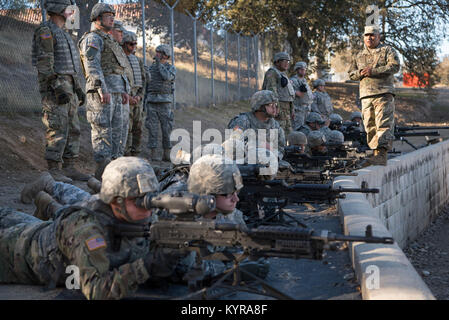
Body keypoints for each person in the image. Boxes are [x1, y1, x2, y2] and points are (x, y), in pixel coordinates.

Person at [0, 157, 182, 300]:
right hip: (14, 255)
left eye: (150, 198)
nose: (148, 207)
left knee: (7, 215)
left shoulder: (140, 214)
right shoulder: (87, 229)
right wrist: (146, 266)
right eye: (138, 200)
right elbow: (96, 290)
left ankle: (44, 204)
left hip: (47, 233)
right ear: (115, 202)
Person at [31, 0, 89, 183]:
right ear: (57, 9)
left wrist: (78, 88)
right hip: (55, 88)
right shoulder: (45, 31)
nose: (71, 12)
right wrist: (56, 86)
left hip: (69, 86)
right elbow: (44, 63)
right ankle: (54, 169)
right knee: (57, 127)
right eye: (67, 8)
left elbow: (72, 67)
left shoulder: (64, 34)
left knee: (73, 128)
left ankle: (69, 167)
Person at [78, 3, 130, 180]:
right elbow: (92, 65)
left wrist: (123, 90)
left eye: (113, 15)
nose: (112, 18)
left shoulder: (109, 40)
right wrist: (101, 88)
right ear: (97, 18)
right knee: (102, 132)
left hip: (115, 92)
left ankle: (115, 173)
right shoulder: (93, 39)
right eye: (108, 15)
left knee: (118, 133)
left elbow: (117, 69)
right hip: (102, 93)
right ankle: (102, 175)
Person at [348, 25, 400, 166]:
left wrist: (374, 71)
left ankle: (381, 154)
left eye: (372, 35)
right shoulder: (359, 55)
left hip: (383, 92)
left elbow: (395, 66)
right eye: (367, 35)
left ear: (378, 37)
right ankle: (374, 153)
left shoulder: (387, 50)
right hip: (366, 95)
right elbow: (350, 73)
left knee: (383, 123)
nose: (369, 38)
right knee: (369, 125)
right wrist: (360, 73)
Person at [227, 90, 286, 157]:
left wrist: (274, 158)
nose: (274, 108)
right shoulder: (242, 121)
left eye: (275, 104)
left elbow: (281, 149)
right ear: (259, 106)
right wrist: (259, 145)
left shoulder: (275, 125)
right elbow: (233, 144)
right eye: (270, 105)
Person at [145, 44, 176, 162]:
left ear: (165, 55)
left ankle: (166, 153)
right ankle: (153, 154)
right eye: (156, 51)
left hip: (165, 102)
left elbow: (166, 77)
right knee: (152, 128)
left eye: (159, 52)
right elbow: (147, 85)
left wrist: (159, 64)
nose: (156, 54)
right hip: (152, 101)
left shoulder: (171, 68)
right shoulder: (151, 68)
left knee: (166, 128)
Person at [122, 31, 147, 157]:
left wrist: (139, 96)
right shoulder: (120, 59)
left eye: (135, 44)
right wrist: (128, 97)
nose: (133, 47)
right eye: (130, 44)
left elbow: (143, 80)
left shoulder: (137, 60)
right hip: (125, 100)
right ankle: (126, 156)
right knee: (126, 129)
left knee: (138, 129)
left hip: (137, 101)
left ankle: (135, 155)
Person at [262, 52, 295, 135]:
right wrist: (276, 108)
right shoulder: (272, 73)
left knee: (288, 134)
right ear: (277, 62)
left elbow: (289, 95)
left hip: (286, 111)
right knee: (278, 134)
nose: (287, 63)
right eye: (284, 61)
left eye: (288, 61)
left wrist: (292, 109)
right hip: (279, 109)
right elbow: (272, 92)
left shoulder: (283, 74)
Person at [290, 61, 313, 130]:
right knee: (298, 129)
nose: (303, 71)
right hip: (298, 110)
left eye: (304, 69)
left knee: (306, 129)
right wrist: (295, 93)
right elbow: (288, 92)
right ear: (297, 70)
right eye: (301, 69)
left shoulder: (304, 81)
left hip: (307, 109)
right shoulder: (293, 80)